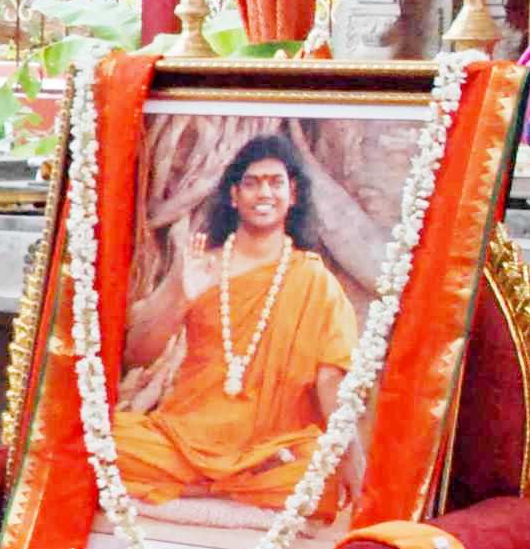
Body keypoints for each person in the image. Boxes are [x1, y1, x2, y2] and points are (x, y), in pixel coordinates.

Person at [110, 134, 355, 510]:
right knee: (104, 443)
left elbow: (330, 379)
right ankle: (224, 487)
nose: (264, 193)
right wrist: (179, 295)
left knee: (320, 474)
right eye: (252, 183)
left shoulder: (314, 280)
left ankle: (205, 485)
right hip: (187, 436)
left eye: (275, 182)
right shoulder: (202, 267)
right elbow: (138, 354)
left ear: (293, 195)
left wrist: (350, 453)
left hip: (269, 447)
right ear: (233, 195)